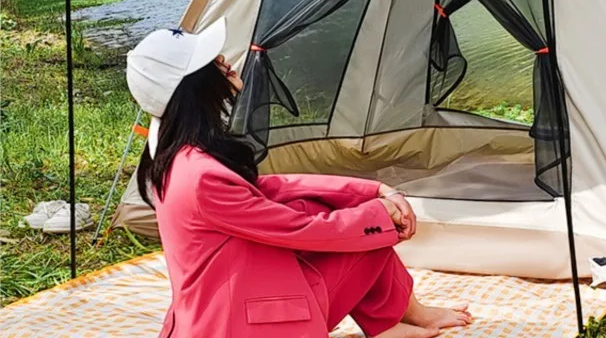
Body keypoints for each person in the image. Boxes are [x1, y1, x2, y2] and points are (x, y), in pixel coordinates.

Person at [127, 18, 473, 338]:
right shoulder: (200, 175)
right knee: (364, 230)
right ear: (192, 86)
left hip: (229, 305)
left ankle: (398, 318)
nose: (223, 60)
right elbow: (300, 230)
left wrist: (373, 192)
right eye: (209, 59)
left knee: (346, 212)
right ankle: (394, 321)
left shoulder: (178, 155)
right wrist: (381, 214)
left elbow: (271, 188)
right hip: (239, 325)